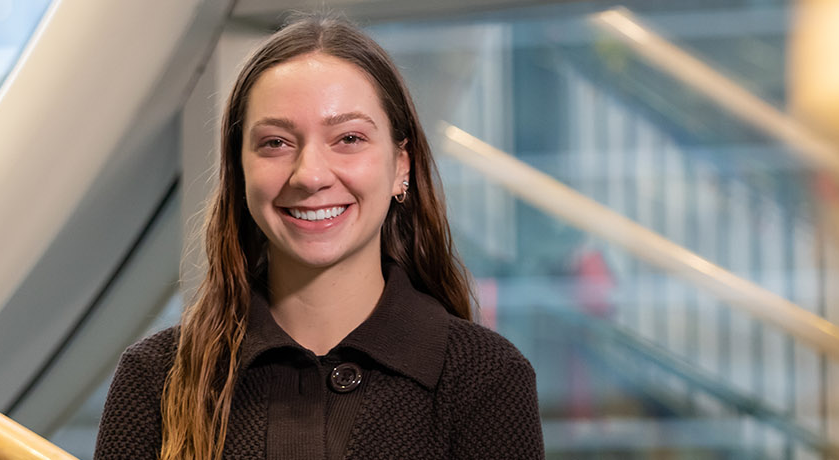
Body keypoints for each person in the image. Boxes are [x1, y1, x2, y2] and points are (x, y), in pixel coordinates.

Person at [96, 14, 543, 460]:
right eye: (275, 143)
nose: (310, 175)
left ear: (401, 166)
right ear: (239, 172)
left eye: (348, 138)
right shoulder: (156, 378)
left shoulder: (485, 378)